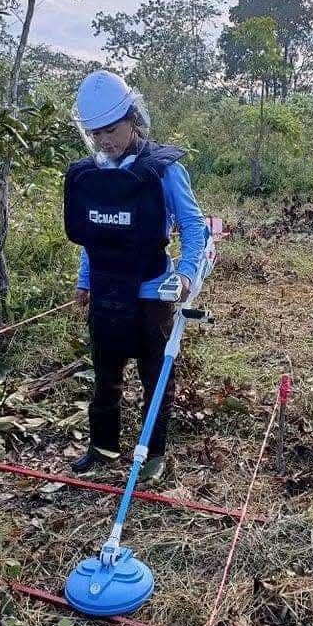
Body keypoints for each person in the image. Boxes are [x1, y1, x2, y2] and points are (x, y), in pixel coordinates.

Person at [63, 70, 207, 483]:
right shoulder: (93, 173)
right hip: (106, 289)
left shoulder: (163, 170)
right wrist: (85, 279)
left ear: (132, 119)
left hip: (151, 291)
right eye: (96, 133)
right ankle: (103, 448)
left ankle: (153, 454)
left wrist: (186, 275)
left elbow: (194, 226)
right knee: (105, 374)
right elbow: (95, 234)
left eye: (111, 130)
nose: (104, 141)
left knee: (155, 377)